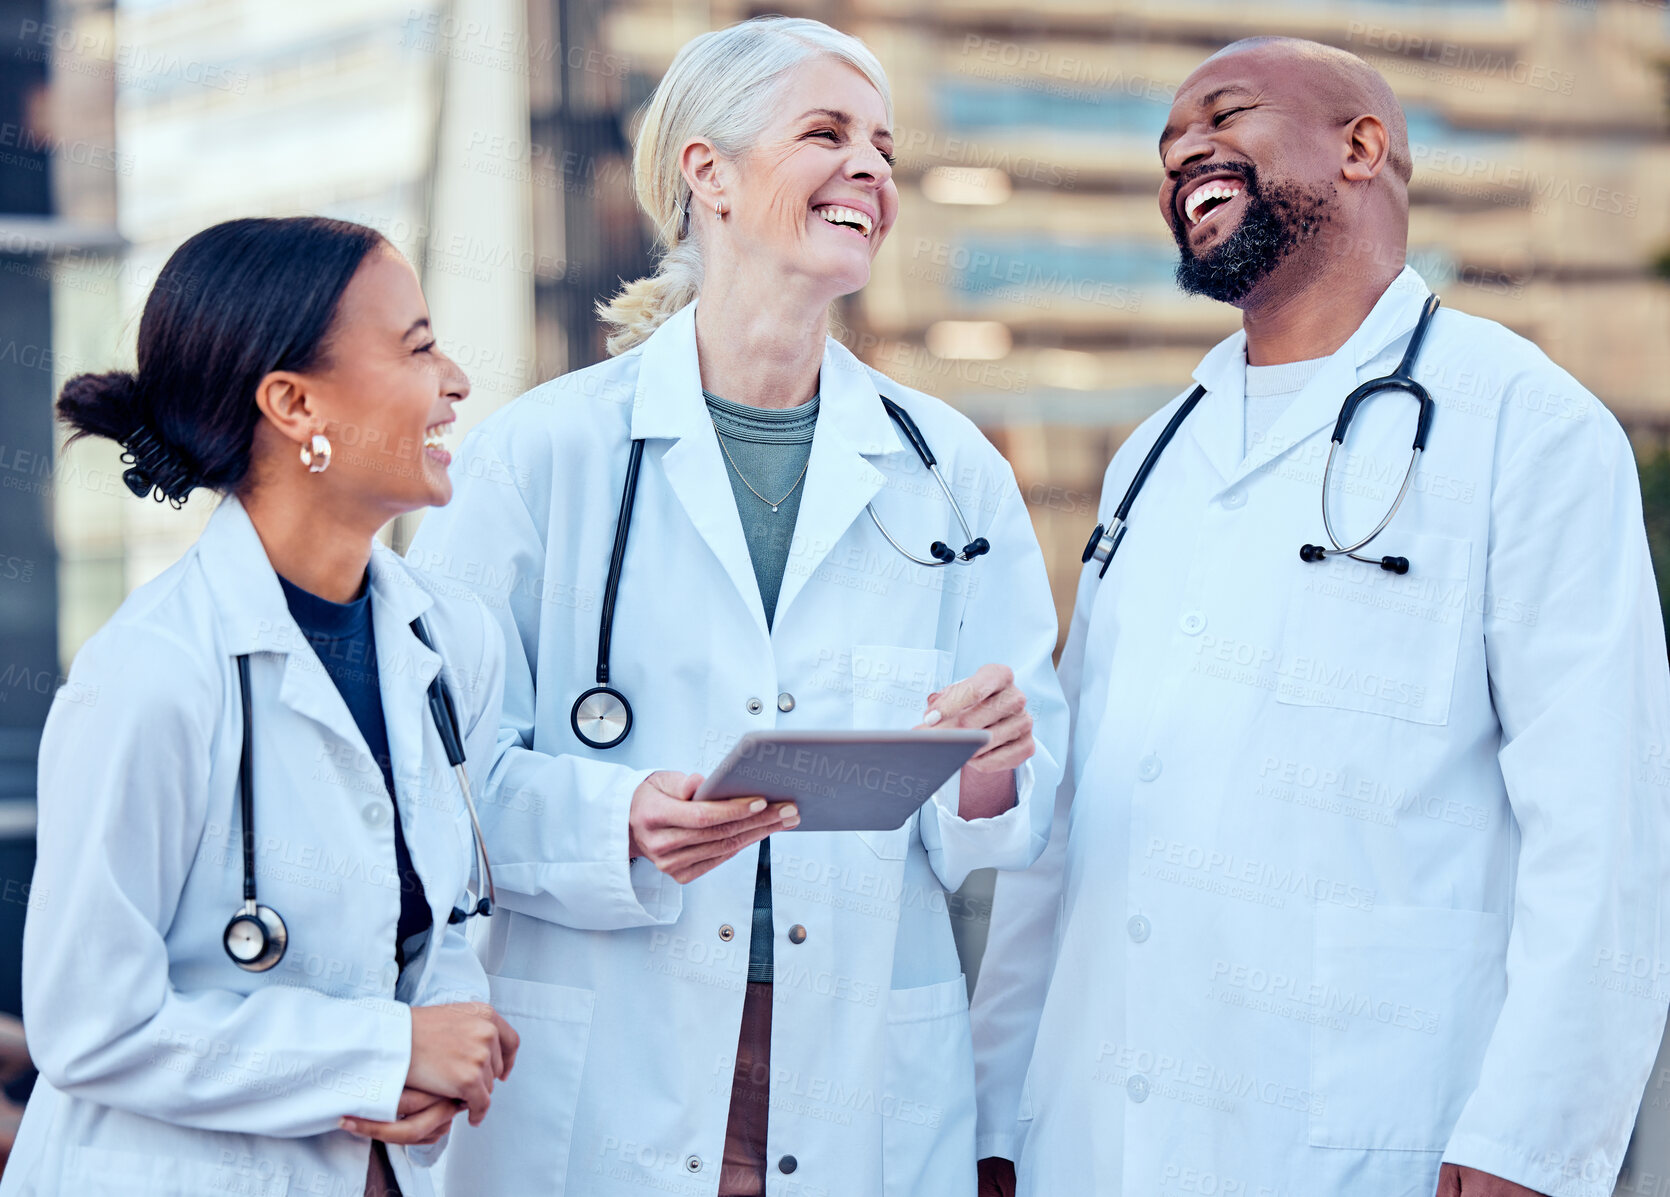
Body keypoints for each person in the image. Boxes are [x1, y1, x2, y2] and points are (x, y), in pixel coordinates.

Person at [972, 36, 1670, 1197]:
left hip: (1370, 1128)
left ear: (1361, 147)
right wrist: (997, 1112)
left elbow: (1602, 824)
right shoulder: (1151, 457)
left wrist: (1529, 1141)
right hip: (1092, 1141)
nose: (1182, 149)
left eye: (1224, 113)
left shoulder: (1527, 428)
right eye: (1164, 143)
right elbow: (1068, 823)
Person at [405, 16, 1066, 1197]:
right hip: (609, 1059)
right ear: (704, 172)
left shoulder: (946, 469)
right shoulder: (537, 458)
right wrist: (617, 819)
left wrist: (989, 764)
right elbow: (432, 771)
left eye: (884, 148)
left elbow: (1011, 804)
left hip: (853, 1060)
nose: (869, 168)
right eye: (825, 133)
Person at [0, 217, 520, 1197]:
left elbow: (445, 922)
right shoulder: (151, 673)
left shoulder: (450, 641)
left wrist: (443, 1039)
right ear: (292, 403)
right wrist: (383, 1050)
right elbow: (88, 1026)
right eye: (417, 348)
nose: (454, 381)